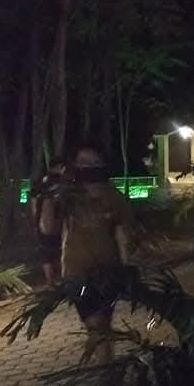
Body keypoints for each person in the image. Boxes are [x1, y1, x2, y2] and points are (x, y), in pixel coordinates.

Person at [60, 146, 134, 365]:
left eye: (93, 162)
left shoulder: (113, 197)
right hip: (77, 274)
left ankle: (105, 368)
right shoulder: (70, 197)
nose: (88, 167)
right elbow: (61, 231)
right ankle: (105, 370)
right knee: (96, 325)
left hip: (107, 272)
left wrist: (126, 268)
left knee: (103, 325)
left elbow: (123, 236)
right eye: (83, 162)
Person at [30, 160, 68, 288]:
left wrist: (35, 223)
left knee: (45, 254)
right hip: (58, 223)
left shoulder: (38, 183)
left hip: (41, 223)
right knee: (61, 251)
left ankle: (50, 282)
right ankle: (63, 280)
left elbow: (33, 204)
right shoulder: (61, 183)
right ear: (59, 167)